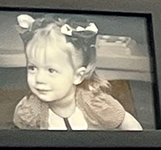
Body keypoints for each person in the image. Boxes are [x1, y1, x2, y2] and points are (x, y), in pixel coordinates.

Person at [12, 14, 142, 131]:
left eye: (51, 70)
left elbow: (128, 124)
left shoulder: (95, 104)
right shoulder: (29, 110)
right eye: (32, 68)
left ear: (78, 76)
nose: (39, 78)